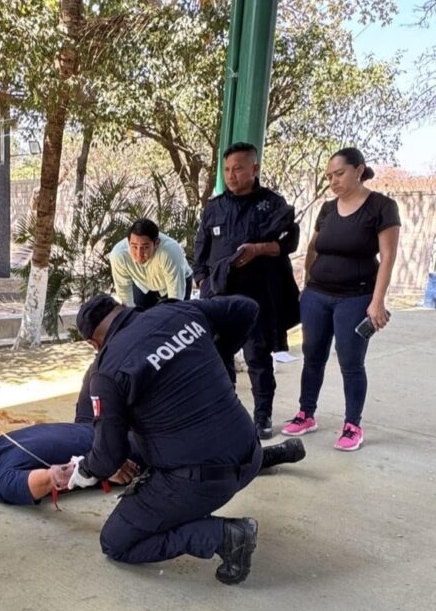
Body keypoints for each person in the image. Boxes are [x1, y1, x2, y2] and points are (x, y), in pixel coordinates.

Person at [53, 294, 276, 586]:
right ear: (122, 308)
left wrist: (81, 472)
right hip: (250, 453)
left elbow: (109, 456)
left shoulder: (107, 371)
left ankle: (223, 536)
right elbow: (247, 307)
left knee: (117, 542)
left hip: (202, 481)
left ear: (93, 343)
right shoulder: (180, 312)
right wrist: (221, 355)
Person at [0, 396, 305, 504]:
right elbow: (47, 480)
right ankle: (269, 455)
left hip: (89, 424)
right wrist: (91, 468)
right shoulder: (0, 483)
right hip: (116, 448)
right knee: (193, 450)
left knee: (104, 368)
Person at [282, 148, 400, 451]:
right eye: (329, 176)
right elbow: (314, 247)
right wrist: (307, 285)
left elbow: (388, 256)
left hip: (355, 297)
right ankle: (306, 414)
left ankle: (352, 425)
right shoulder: (327, 208)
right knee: (312, 356)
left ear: (358, 170)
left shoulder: (382, 207)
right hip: (317, 295)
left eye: (339, 174)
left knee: (350, 361)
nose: (333, 181)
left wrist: (377, 301)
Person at [193, 142, 300, 439]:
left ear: (254, 168)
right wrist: (202, 281)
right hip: (220, 298)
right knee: (218, 358)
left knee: (258, 359)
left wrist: (259, 249)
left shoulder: (272, 204)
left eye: (238, 169)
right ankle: (225, 413)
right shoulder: (214, 207)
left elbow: (288, 244)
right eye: (227, 169)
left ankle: (262, 416)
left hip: (257, 298)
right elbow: (201, 249)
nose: (231, 175)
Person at [109, 218, 193, 307]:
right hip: (143, 283)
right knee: (139, 312)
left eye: (145, 247)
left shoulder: (170, 252)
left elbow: (175, 298)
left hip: (177, 280)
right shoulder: (119, 255)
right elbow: (124, 294)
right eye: (134, 247)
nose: (139, 254)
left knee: (177, 312)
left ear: (156, 243)